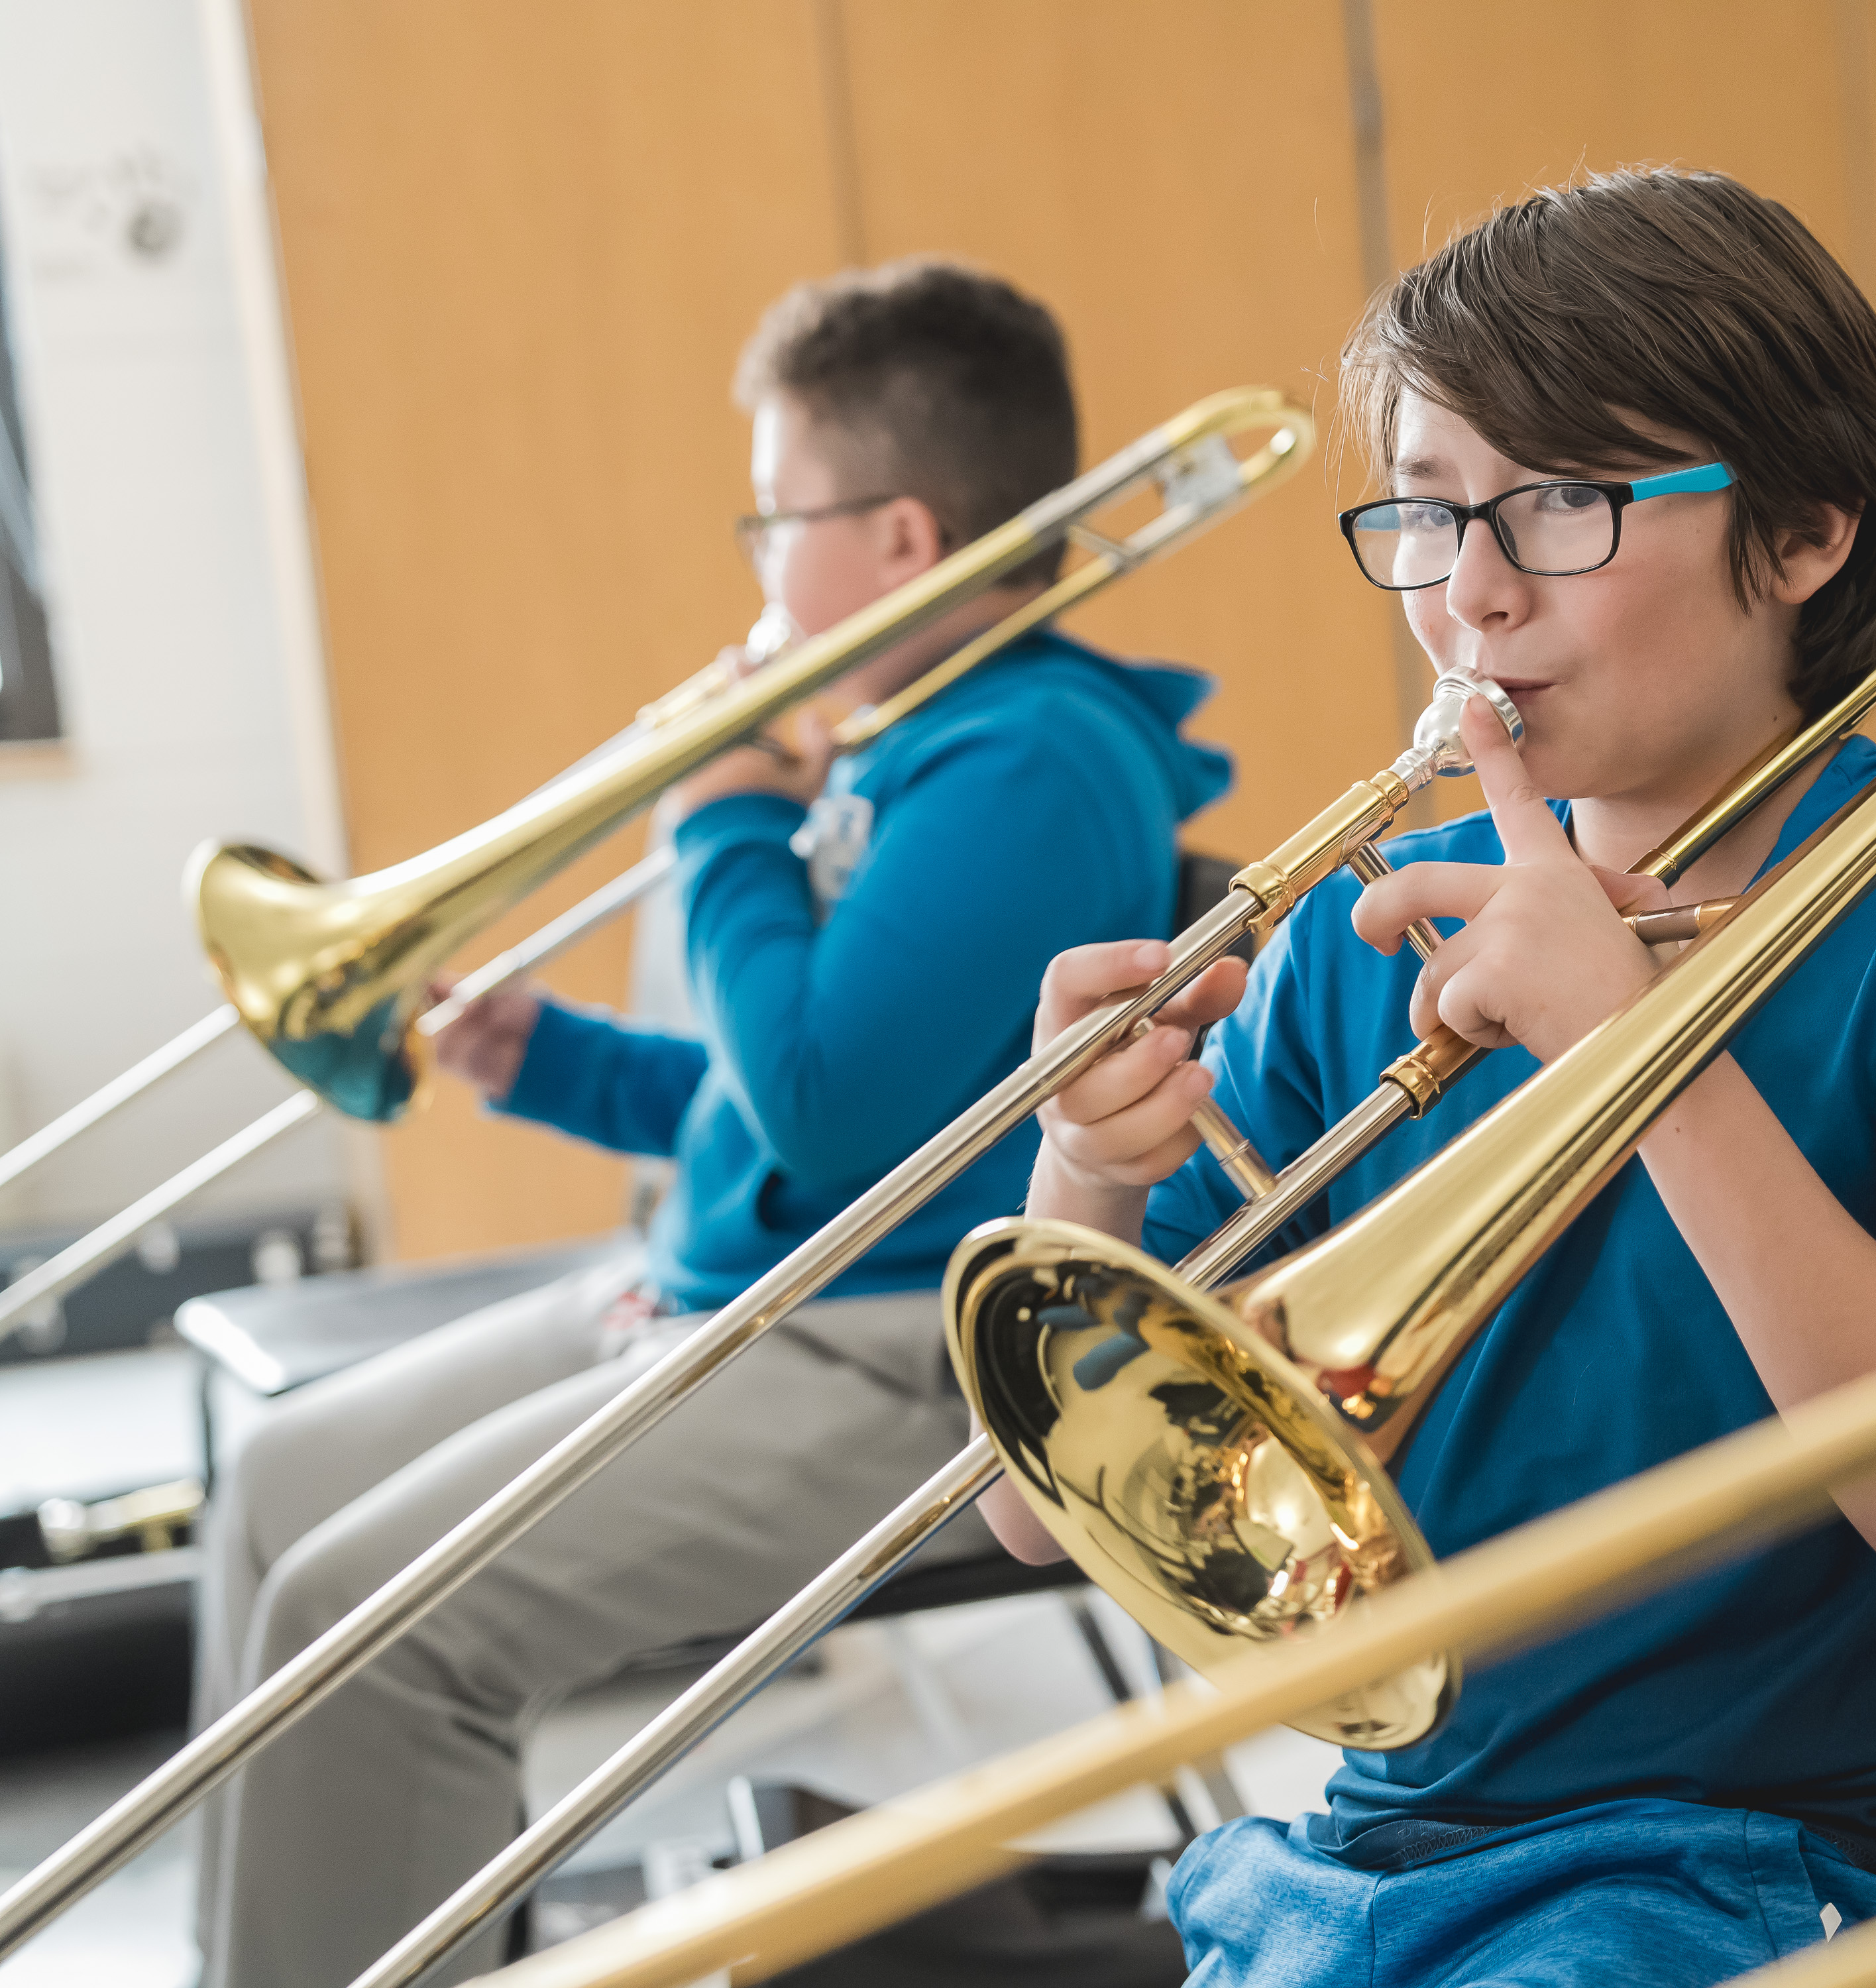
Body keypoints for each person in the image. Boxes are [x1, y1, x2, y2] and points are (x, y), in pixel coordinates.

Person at [985, 168, 1876, 1986]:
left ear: (1801, 538)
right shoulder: (1362, 935)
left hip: (1790, 1872)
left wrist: (1637, 1058)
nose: (1466, 593)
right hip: (1379, 1860)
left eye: (1557, 506)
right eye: (1423, 513)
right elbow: (1043, 1507)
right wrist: (1085, 1172)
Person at [191, 257, 1233, 1988]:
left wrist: (727, 824)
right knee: (275, 1490)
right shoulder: (901, 744)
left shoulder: (1027, 758)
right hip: (753, 1294)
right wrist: (555, 1063)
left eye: (775, 521)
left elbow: (827, 1124)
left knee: (363, 1632)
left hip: (897, 1348)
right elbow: (783, 1110)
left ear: (901, 539)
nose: (752, 565)